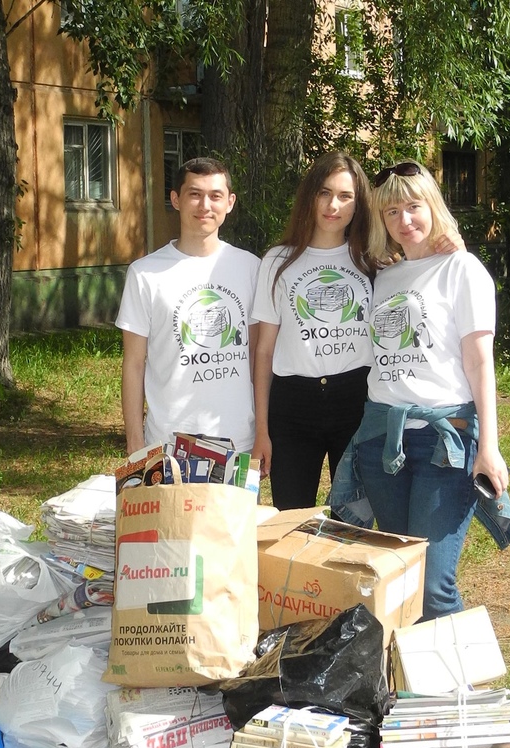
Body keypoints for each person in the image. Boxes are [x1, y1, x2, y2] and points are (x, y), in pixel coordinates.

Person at [335, 160, 509, 620]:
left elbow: (479, 361)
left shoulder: (463, 269)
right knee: (401, 575)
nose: (404, 220)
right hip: (382, 443)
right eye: (392, 212)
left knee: (433, 583)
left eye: (414, 207)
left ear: (433, 206)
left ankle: (461, 687)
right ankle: (409, 684)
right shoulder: (384, 276)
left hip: (443, 442)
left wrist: (488, 446)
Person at [251, 152, 376, 509]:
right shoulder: (278, 260)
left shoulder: (373, 259)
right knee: (291, 519)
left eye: (345, 196)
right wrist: (262, 429)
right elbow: (263, 351)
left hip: (357, 400)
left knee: (355, 519)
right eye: (324, 192)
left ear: (359, 203)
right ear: (309, 195)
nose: (333, 205)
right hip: (292, 405)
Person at [117, 158, 260, 455]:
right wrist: (135, 442)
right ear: (176, 199)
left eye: (215, 195)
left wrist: (263, 432)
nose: (205, 205)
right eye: (194, 194)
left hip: (239, 443)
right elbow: (133, 364)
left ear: (230, 202)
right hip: (168, 443)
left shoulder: (252, 269)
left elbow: (259, 359)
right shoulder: (145, 274)